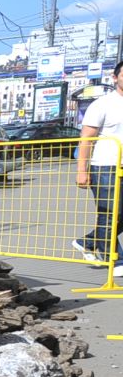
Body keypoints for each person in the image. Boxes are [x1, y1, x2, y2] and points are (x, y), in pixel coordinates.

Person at [74, 59, 123, 265]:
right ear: (115, 78)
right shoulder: (103, 104)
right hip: (105, 166)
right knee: (110, 211)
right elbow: (86, 139)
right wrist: (81, 171)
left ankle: (87, 242)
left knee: (118, 215)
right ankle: (114, 259)